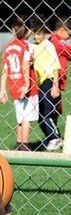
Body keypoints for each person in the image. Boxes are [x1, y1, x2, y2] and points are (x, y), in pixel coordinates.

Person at [0, 17, 38, 152]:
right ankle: (25, 145)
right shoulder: (26, 46)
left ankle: (19, 142)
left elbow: (4, 69)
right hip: (27, 87)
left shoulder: (8, 47)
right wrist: (27, 84)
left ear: (12, 30)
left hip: (13, 85)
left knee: (20, 117)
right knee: (28, 118)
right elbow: (25, 64)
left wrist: (2, 90)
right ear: (29, 31)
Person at [30, 19, 62, 151]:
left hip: (48, 81)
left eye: (39, 34)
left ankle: (55, 137)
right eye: (34, 33)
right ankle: (51, 137)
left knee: (46, 111)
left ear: (44, 33)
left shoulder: (48, 45)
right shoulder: (32, 46)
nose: (36, 36)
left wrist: (55, 85)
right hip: (38, 82)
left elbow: (56, 66)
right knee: (39, 114)